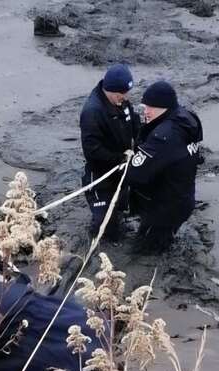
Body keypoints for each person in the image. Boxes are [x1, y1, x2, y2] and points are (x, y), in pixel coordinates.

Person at [126, 80, 203, 253]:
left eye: (149, 107)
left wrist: (130, 162)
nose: (145, 112)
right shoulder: (187, 118)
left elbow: (135, 174)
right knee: (160, 237)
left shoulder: (163, 137)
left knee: (145, 251)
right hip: (182, 197)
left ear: (162, 107)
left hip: (164, 209)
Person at [79, 63, 140, 241]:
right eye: (122, 94)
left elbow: (134, 124)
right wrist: (119, 159)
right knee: (104, 227)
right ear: (111, 91)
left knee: (123, 208)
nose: (126, 97)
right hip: (100, 176)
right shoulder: (92, 112)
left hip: (121, 170)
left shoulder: (121, 101)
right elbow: (91, 150)